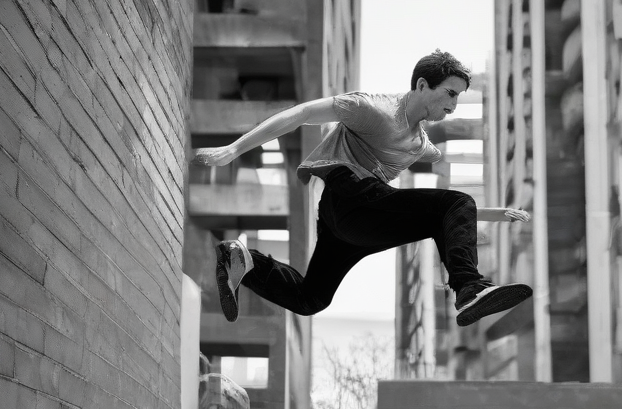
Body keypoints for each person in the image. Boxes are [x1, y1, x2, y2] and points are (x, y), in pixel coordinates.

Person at [191, 49, 533, 328]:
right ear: (423, 84)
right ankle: (469, 287)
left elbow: (451, 213)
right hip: (349, 195)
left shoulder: (421, 146)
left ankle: (242, 260)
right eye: (450, 93)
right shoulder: (372, 108)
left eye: (459, 97)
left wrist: (493, 215)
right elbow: (301, 113)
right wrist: (232, 151)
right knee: (454, 202)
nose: (454, 104)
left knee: (311, 298)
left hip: (354, 224)